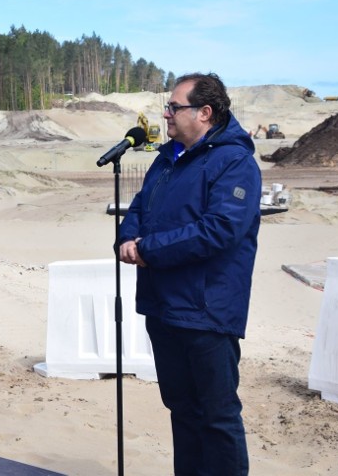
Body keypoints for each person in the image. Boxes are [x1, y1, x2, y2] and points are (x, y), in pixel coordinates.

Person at [118, 72, 261, 475]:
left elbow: (220, 230)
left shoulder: (234, 162)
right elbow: (140, 209)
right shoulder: (167, 159)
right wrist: (127, 239)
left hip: (207, 309)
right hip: (164, 307)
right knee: (182, 411)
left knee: (217, 416)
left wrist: (148, 249)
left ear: (204, 112)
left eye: (173, 107)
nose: (165, 113)